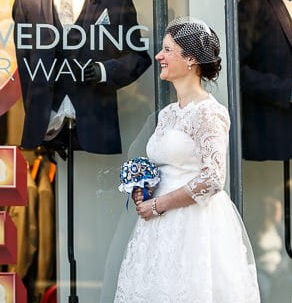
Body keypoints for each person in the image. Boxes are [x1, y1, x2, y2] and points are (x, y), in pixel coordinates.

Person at [111, 17, 260, 302]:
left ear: (190, 58)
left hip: (195, 226)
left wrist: (158, 204)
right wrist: (144, 187)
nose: (159, 56)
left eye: (167, 50)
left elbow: (213, 179)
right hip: (158, 227)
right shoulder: (167, 114)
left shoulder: (209, 113)